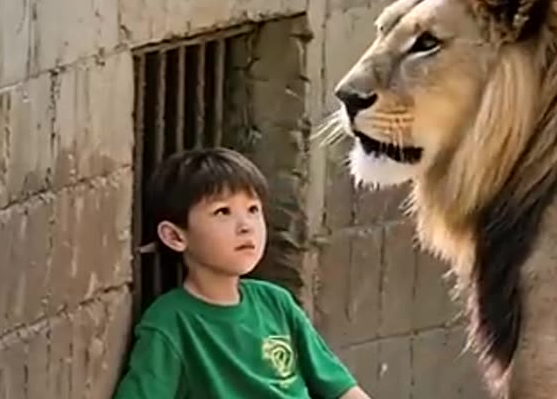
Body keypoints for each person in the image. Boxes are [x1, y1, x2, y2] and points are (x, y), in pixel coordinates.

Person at [112, 147, 371, 399]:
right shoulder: (170, 322)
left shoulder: (276, 303)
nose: (246, 226)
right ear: (175, 236)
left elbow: (340, 388)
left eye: (253, 210)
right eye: (223, 211)